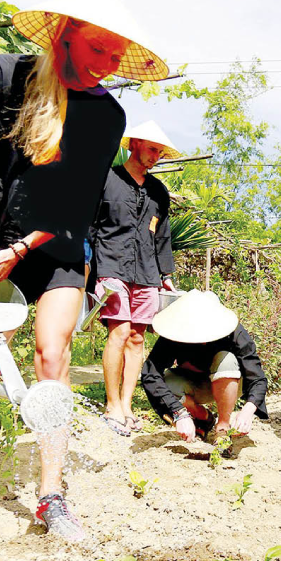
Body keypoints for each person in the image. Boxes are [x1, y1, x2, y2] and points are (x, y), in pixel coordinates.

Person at [0, 0, 168, 542]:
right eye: (99, 48)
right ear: (64, 33)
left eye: (115, 55)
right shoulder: (0, 77)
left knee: (51, 354)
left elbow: (76, 204)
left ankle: (52, 495)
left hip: (56, 244)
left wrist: (20, 250)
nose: (107, 64)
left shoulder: (107, 115)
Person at [92, 121, 180, 436]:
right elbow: (91, 225)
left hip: (147, 273)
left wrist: (165, 275)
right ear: (135, 145)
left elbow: (162, 236)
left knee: (137, 338)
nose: (156, 155)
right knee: (119, 332)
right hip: (111, 267)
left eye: (160, 151)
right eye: (152, 149)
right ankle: (111, 405)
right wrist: (89, 267)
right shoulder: (107, 179)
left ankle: (127, 405)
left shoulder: (159, 191)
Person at [141, 290, 269, 442]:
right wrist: (179, 413)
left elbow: (258, 378)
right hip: (193, 384)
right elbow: (150, 373)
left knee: (226, 359)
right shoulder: (174, 332)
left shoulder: (235, 333)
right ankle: (203, 418)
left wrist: (248, 411)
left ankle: (222, 426)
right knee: (165, 382)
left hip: (229, 382)